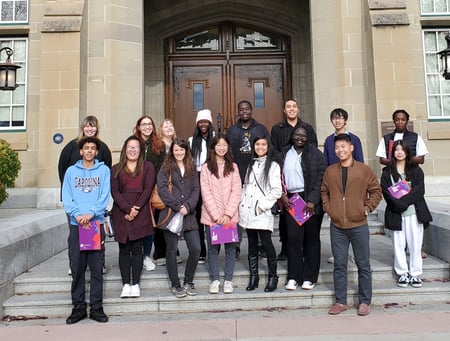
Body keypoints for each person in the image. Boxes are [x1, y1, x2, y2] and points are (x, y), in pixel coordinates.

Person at [321, 133, 382, 317]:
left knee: (363, 264)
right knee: (339, 264)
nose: (340, 150)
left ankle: (364, 301)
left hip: (359, 225)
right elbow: (324, 191)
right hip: (337, 225)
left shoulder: (364, 170)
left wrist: (366, 208)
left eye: (343, 147)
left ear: (351, 148)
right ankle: (340, 301)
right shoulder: (330, 171)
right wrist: (329, 209)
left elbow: (376, 191)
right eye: (337, 148)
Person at [62, 137, 110, 324]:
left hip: (95, 225)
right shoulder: (71, 172)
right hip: (77, 226)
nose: (89, 151)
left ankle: (96, 307)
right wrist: (77, 215)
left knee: (97, 268)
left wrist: (91, 214)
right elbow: (67, 197)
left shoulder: (104, 170)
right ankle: (79, 307)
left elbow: (104, 195)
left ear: (96, 152)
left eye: (92, 148)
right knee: (77, 268)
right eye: (86, 148)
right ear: (81, 151)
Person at [58, 116, 112, 275]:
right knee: (75, 236)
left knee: (97, 234)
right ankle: (74, 264)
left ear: (97, 128)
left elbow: (107, 171)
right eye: (87, 126)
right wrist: (71, 196)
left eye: (93, 127)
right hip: (76, 203)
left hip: (95, 204)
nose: (90, 129)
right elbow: (63, 170)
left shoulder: (103, 148)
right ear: (82, 128)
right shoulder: (71, 147)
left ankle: (99, 264)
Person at [380, 140, 432, 288]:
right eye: (396, 149)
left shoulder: (416, 170)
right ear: (393, 153)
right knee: (398, 245)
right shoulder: (387, 172)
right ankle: (402, 273)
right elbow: (386, 192)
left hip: (414, 213)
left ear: (407, 152)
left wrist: (404, 203)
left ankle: (415, 274)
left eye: (402, 149)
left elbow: (419, 191)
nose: (399, 152)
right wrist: (398, 205)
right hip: (396, 214)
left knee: (415, 245)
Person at [271, 98, 318, 261]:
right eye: (288, 106)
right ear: (284, 110)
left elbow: (313, 151)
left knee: (306, 218)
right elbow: (274, 150)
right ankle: (285, 248)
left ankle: (304, 249)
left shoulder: (308, 128)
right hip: (287, 179)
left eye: (294, 106)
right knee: (286, 219)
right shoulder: (277, 129)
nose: (291, 109)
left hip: (305, 181)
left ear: (298, 109)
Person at [280, 126, 327, 291]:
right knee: (293, 239)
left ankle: (309, 277)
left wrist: (313, 200)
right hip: (292, 200)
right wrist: (282, 195)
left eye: (303, 135)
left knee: (311, 240)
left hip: (310, 202)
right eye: (297, 134)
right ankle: (294, 276)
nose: (300, 137)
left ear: (308, 137)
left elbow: (321, 178)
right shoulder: (284, 153)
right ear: (292, 136)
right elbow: (277, 176)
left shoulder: (316, 154)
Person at [110, 136, 156, 298]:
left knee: (137, 248)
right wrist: (127, 209)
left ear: (141, 150)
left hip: (140, 211)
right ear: (125, 149)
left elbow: (147, 189)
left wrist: (135, 209)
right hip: (121, 213)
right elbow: (115, 192)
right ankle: (125, 284)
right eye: (129, 147)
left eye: (136, 147)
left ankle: (135, 283)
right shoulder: (115, 169)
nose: (132, 150)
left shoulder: (148, 167)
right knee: (124, 249)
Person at [157, 138, 201, 298]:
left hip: (188, 215)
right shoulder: (166, 167)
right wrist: (177, 206)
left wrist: (188, 206)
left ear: (186, 151)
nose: (179, 152)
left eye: (182, 149)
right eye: (176, 150)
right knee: (172, 250)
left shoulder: (191, 167)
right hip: (171, 214)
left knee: (196, 249)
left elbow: (196, 189)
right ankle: (176, 285)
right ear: (172, 151)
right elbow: (162, 188)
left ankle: (188, 281)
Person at [226, 100, 269, 259]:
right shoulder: (231, 131)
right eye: (241, 109)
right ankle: (235, 245)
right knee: (236, 212)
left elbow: (267, 150)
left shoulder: (260, 128)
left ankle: (259, 245)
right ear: (238, 111)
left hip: (256, 177)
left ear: (251, 110)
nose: (244, 111)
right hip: (237, 177)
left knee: (255, 211)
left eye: (247, 109)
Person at [239, 136, 282, 292]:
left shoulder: (273, 166)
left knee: (266, 242)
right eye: (257, 144)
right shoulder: (251, 164)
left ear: (268, 146)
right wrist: (242, 206)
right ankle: (254, 276)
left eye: (263, 144)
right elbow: (246, 187)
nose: (260, 147)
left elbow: (277, 190)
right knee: (251, 243)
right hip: (249, 211)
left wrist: (261, 206)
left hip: (262, 211)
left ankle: (273, 276)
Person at [200, 134, 242, 294]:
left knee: (231, 249)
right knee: (212, 249)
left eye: (224, 145)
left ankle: (229, 280)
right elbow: (206, 192)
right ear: (213, 147)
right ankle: (215, 279)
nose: (221, 148)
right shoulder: (206, 168)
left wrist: (228, 214)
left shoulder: (234, 167)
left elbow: (236, 191)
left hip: (230, 217)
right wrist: (217, 215)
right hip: (212, 217)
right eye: (218, 145)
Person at [323, 108, 364, 264]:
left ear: (345, 120)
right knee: (337, 218)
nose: (337, 121)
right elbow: (326, 163)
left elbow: (360, 162)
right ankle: (339, 254)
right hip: (335, 184)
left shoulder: (354, 139)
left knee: (353, 218)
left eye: (340, 118)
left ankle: (354, 253)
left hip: (352, 184)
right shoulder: (328, 140)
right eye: (334, 118)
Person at [134, 115, 166, 272]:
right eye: (143, 124)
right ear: (138, 127)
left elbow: (162, 168)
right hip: (133, 190)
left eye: (149, 124)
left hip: (151, 190)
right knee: (135, 224)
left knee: (149, 225)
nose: (147, 127)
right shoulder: (132, 143)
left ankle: (146, 255)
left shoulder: (159, 144)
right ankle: (136, 255)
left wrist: (154, 185)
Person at [189, 109, 215, 264]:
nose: (203, 124)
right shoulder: (192, 141)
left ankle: (215, 248)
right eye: (200, 122)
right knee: (199, 216)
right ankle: (201, 250)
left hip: (213, 178)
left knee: (213, 212)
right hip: (197, 177)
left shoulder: (216, 140)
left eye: (206, 121)